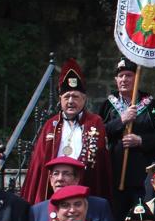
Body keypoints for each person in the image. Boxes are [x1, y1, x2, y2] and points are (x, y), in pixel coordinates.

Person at [21, 59, 112, 203]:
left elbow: (100, 159)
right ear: (60, 99)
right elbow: (39, 162)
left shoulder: (95, 122)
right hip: (54, 188)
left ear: (84, 99)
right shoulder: (50, 125)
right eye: (66, 97)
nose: (70, 101)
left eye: (75, 96)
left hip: (85, 185)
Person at [100, 57, 155, 219]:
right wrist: (121, 121)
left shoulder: (153, 107)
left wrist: (141, 141)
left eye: (128, 75)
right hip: (115, 176)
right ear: (115, 79)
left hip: (143, 179)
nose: (124, 79)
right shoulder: (107, 106)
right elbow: (97, 134)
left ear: (136, 78)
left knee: (143, 219)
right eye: (121, 76)